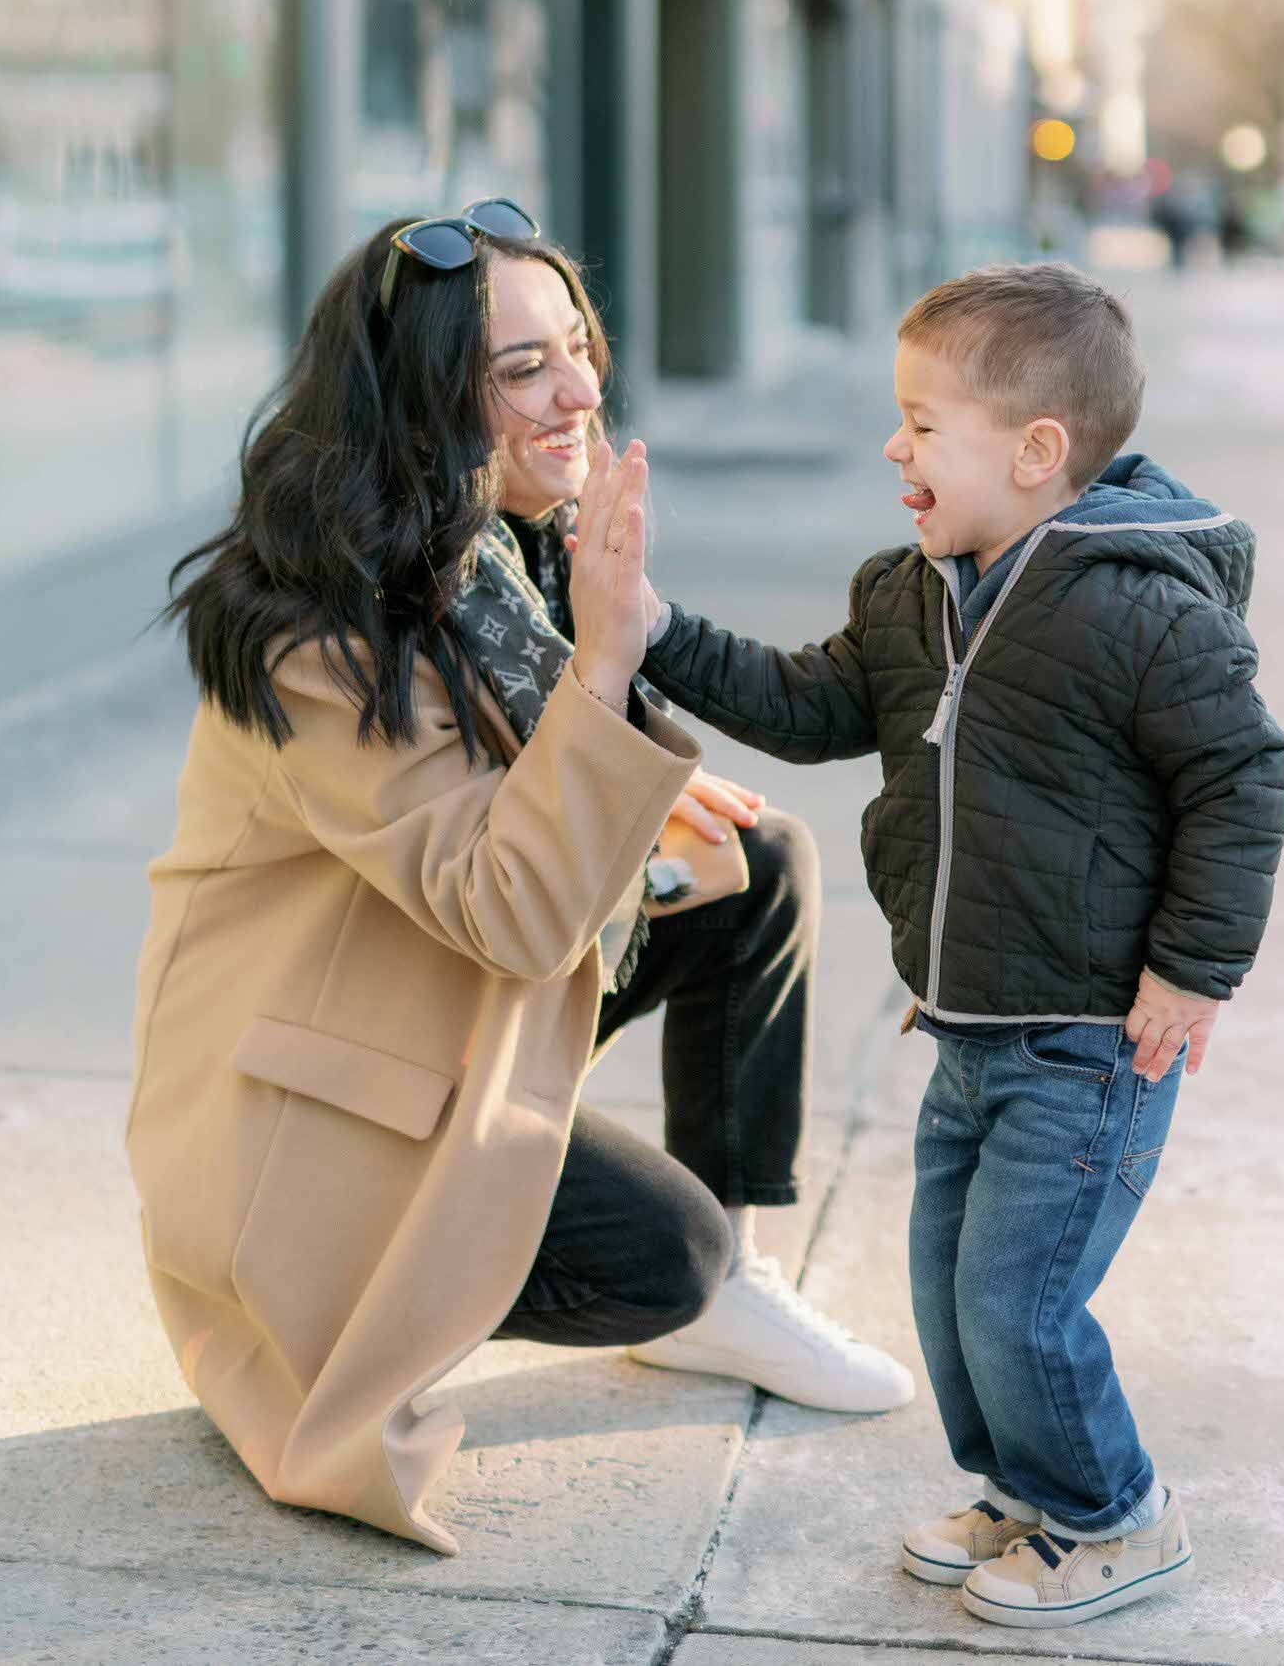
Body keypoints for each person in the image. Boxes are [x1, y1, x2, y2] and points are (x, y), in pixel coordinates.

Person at [128, 202, 910, 1557]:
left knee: (754, 863)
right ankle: (543, 1281)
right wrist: (605, 671)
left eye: (578, 346)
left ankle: (732, 1281)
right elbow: (509, 914)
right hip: (318, 1107)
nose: (580, 389)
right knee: (653, 1259)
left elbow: (539, 813)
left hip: (427, 993)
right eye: (523, 369)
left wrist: (619, 740)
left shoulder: (486, 552)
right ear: (427, 402)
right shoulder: (318, 632)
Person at [637, 262, 1284, 1632]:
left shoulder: (1137, 610)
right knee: (949, 1290)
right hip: (969, 1025)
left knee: (1020, 1300)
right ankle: (1030, 1494)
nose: (895, 445)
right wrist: (654, 633)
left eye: (924, 423)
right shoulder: (908, 595)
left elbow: (1242, 777)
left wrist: (1191, 967)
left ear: (1036, 451)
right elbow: (806, 704)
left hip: (1092, 1038)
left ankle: (1118, 1516)